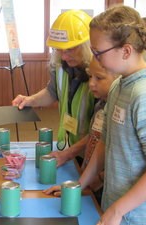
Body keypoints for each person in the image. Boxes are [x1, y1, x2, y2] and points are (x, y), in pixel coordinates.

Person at [65, 5, 146, 225]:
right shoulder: (119, 86)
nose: (95, 58)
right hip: (123, 208)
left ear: (126, 51)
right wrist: (80, 185)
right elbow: (104, 141)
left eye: (98, 53)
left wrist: (118, 210)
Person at [12, 10, 95, 158]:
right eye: (59, 50)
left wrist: (68, 154)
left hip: (91, 153)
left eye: (70, 49)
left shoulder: (100, 76)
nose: (64, 56)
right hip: (68, 145)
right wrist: (30, 100)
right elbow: (52, 92)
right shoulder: (61, 66)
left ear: (87, 45)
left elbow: (100, 132)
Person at [44, 57, 119, 205]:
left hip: (104, 189)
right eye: (90, 76)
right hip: (90, 181)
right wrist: (80, 185)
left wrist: (97, 180)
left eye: (99, 78)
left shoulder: (118, 111)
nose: (91, 84)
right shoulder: (102, 105)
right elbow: (97, 140)